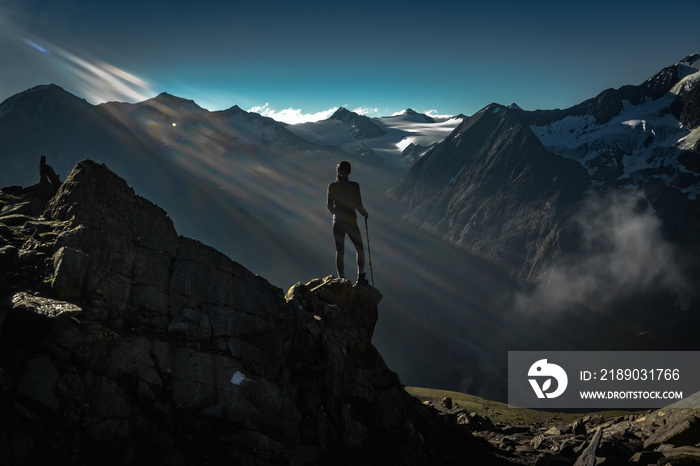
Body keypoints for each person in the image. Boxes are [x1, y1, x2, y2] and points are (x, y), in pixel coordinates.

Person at [327, 161, 369, 285]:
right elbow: (358, 205)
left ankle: (342, 279)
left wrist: (337, 213)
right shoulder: (354, 186)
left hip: (338, 221)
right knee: (359, 249)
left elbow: (329, 206)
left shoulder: (332, 186)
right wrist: (364, 214)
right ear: (349, 172)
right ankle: (361, 277)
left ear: (338, 171)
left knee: (340, 251)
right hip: (351, 221)